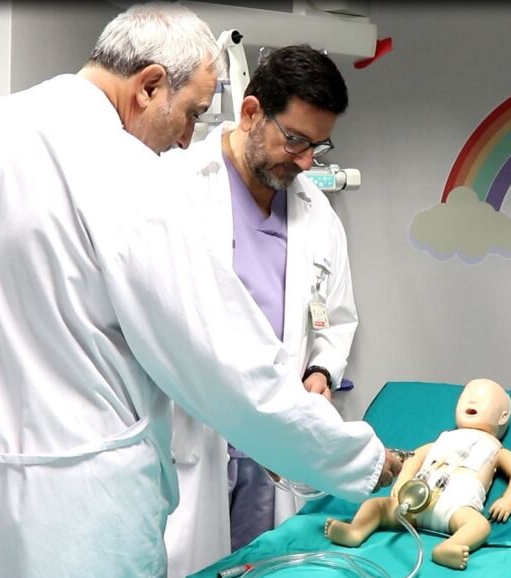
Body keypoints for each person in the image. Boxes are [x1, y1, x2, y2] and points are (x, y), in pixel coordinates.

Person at [0, 4, 401, 578]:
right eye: (193, 112)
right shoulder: (125, 173)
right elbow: (225, 363)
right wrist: (364, 459)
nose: (184, 139)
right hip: (76, 517)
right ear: (149, 86)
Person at [162, 45, 361, 576]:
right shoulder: (177, 186)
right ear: (251, 113)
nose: (306, 161)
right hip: (194, 434)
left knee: (266, 563)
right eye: (295, 140)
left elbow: (337, 317)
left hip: (272, 441)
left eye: (318, 146)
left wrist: (321, 371)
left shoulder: (317, 213)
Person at [325, 378, 511, 570]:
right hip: (416, 500)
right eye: (465, 397)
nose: (471, 400)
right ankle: (356, 530)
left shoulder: (495, 450)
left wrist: (508, 500)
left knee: (479, 525)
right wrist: (404, 480)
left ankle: (449, 547)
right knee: (376, 506)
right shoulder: (443, 439)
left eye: (482, 399)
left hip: (456, 507)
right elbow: (414, 458)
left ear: (503, 417)